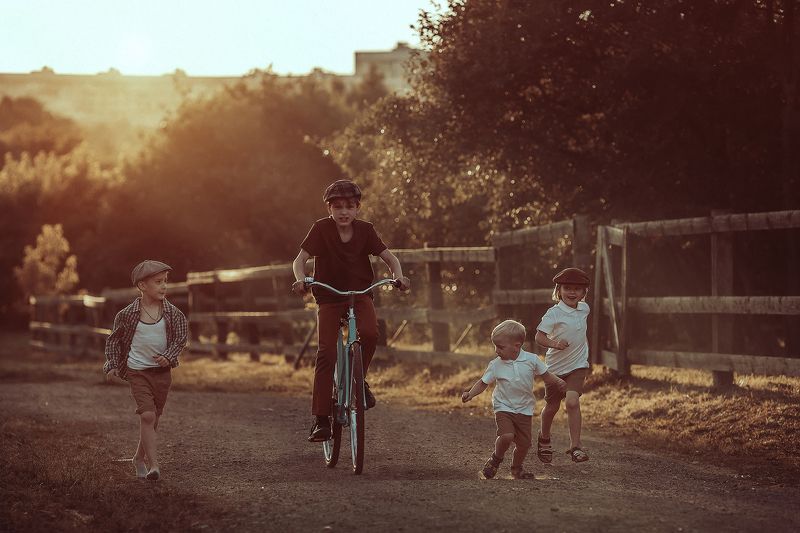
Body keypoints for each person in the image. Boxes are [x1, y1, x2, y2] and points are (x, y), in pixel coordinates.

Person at [291, 179, 410, 442]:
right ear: (329, 209)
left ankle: (359, 382)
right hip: (329, 297)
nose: (343, 212)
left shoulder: (366, 231)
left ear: (357, 208)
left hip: (359, 295)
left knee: (369, 334)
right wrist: (301, 278)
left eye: (349, 206)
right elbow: (300, 260)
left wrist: (398, 276)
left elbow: (390, 258)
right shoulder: (321, 229)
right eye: (337, 207)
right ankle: (321, 419)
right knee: (326, 352)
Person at [103, 260, 188, 480]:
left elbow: (180, 338)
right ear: (142, 286)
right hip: (137, 371)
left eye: (165, 282)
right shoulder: (127, 315)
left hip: (162, 374)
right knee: (148, 415)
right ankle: (154, 466)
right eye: (158, 282)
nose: (164, 286)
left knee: (153, 418)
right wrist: (112, 363)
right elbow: (114, 341)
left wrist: (168, 356)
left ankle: (138, 458)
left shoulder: (174, 314)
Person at [462, 320, 566, 479]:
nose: (496, 351)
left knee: (524, 444)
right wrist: (470, 393)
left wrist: (558, 382)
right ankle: (495, 459)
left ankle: (516, 469)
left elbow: (546, 376)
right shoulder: (496, 364)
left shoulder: (531, 360)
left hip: (524, 409)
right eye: (495, 346)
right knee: (507, 436)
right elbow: (483, 383)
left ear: (517, 346)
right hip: (503, 407)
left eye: (500, 347)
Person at [534, 267, 592, 463]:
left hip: (578, 365)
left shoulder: (585, 308)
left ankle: (575, 447)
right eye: (567, 288)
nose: (572, 292)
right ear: (559, 290)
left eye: (577, 288)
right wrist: (555, 344)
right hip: (555, 368)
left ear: (584, 292)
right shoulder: (554, 313)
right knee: (551, 407)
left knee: (572, 402)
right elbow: (539, 336)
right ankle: (544, 437)